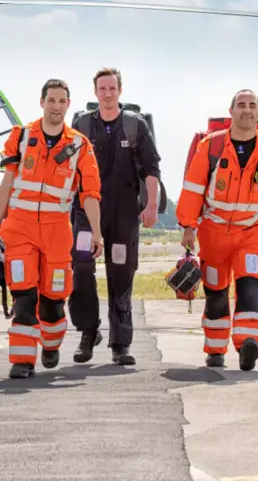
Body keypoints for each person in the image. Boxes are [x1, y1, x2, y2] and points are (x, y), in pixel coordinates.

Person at [176, 89, 258, 371]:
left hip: (252, 233)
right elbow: (193, 189)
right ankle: (215, 349)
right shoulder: (210, 147)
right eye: (242, 105)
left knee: (250, 286)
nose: (247, 110)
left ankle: (248, 343)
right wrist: (188, 227)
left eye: (252, 106)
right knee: (216, 292)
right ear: (231, 111)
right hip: (213, 234)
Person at [0, 78, 103, 379]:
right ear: (42, 102)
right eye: (51, 100)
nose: (56, 106)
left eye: (62, 101)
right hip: (19, 228)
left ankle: (51, 345)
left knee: (53, 301)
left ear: (68, 105)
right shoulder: (21, 136)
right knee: (23, 295)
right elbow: (6, 183)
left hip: (56, 231)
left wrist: (97, 233)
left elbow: (90, 194)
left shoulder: (80, 145)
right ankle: (22, 361)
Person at [68, 67, 163, 365]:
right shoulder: (82, 125)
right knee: (82, 268)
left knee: (120, 274)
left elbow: (151, 169)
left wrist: (151, 206)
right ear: (95, 92)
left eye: (112, 88)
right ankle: (88, 333)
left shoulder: (135, 125)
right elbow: (67, 168)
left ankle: (120, 344)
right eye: (102, 89)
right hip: (86, 211)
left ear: (120, 90)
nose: (107, 94)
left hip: (123, 213)